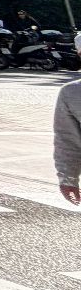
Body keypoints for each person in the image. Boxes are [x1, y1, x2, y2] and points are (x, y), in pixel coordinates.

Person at [58, 74, 81, 205]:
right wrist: (68, 178)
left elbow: (67, 139)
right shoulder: (72, 92)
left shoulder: (72, 91)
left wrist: (68, 178)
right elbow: (68, 139)